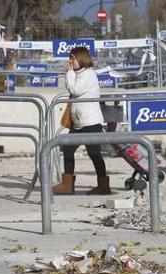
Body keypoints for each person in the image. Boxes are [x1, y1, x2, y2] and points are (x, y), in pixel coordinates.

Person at [53, 46, 111, 196]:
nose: (70, 62)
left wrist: (69, 72)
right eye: (70, 58)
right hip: (78, 124)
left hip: (91, 123)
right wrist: (71, 73)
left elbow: (75, 90)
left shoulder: (88, 75)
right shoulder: (78, 74)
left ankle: (103, 185)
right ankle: (67, 184)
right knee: (68, 149)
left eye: (72, 58)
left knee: (94, 154)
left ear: (81, 58)